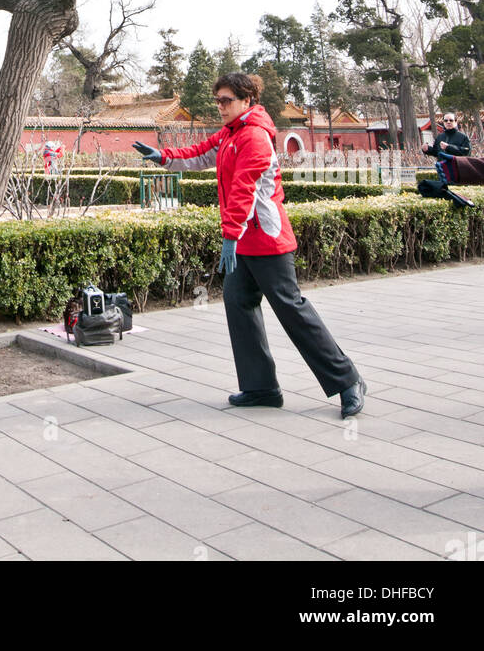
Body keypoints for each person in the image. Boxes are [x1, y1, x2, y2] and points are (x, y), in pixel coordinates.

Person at [134, 71, 365, 419]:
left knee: (291, 309)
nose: (221, 107)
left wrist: (229, 236)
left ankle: (348, 381)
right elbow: (199, 154)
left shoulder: (254, 136)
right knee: (239, 305)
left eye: (227, 101)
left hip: (266, 238)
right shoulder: (230, 134)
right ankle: (261, 388)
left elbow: (244, 189)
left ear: (247, 101)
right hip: (242, 241)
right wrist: (163, 157)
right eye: (218, 101)